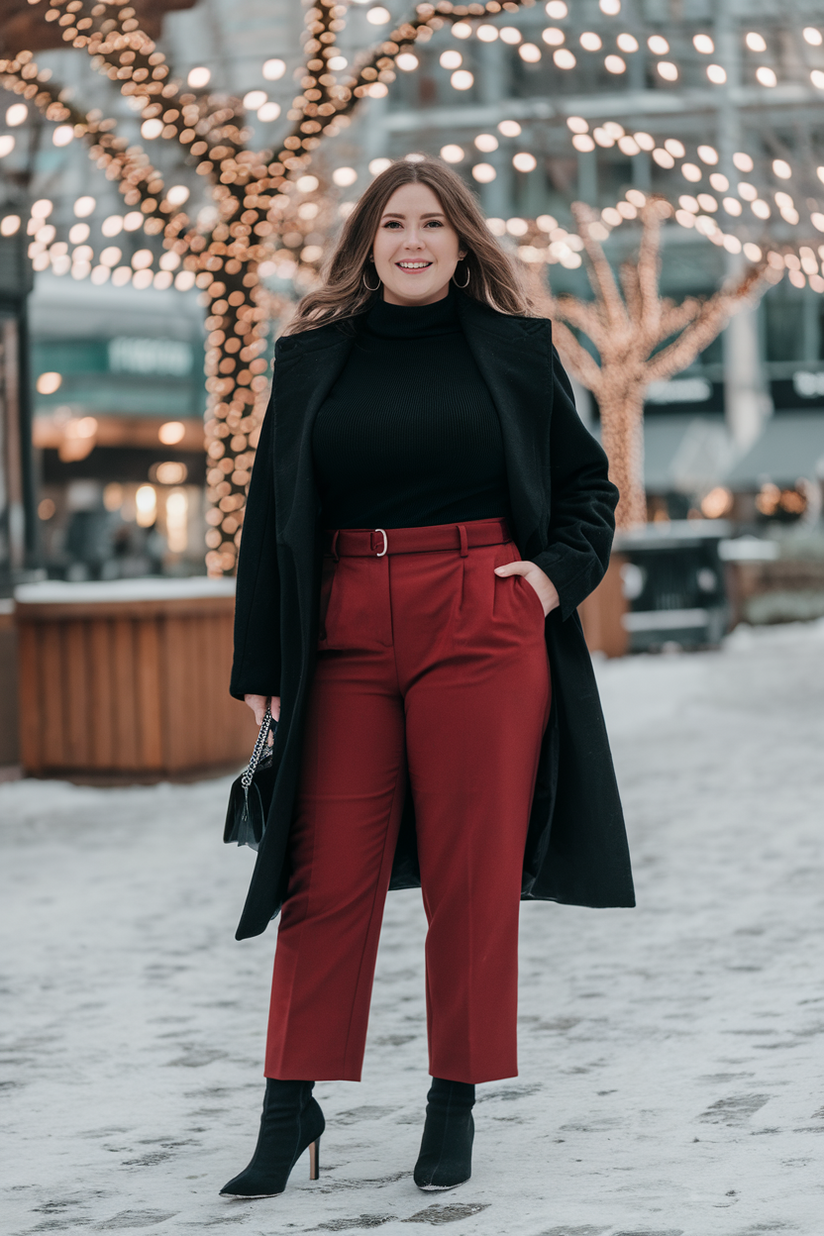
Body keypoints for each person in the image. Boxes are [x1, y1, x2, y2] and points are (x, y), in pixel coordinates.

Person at [221, 158, 634, 1200]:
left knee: (470, 874)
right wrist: (261, 665)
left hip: (479, 616)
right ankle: (288, 1106)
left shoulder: (511, 349)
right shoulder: (311, 356)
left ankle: (452, 1099)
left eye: (432, 224)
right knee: (324, 875)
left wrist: (544, 584)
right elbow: (272, 513)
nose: (412, 240)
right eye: (393, 223)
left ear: (461, 242)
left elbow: (587, 487)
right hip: (344, 627)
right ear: (365, 240)